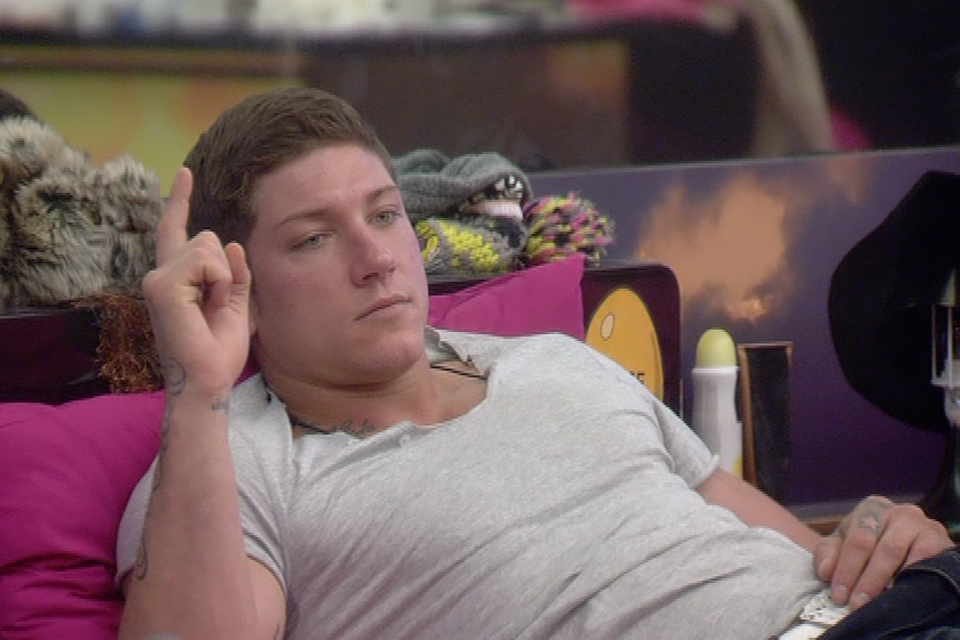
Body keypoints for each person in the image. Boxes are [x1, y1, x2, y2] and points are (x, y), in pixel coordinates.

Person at [115, 86, 954, 640]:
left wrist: (884, 537)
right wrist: (196, 388)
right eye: (313, 239)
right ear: (241, 288)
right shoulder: (229, 466)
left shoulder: (559, 361)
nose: (376, 260)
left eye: (385, 215)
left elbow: (810, 554)